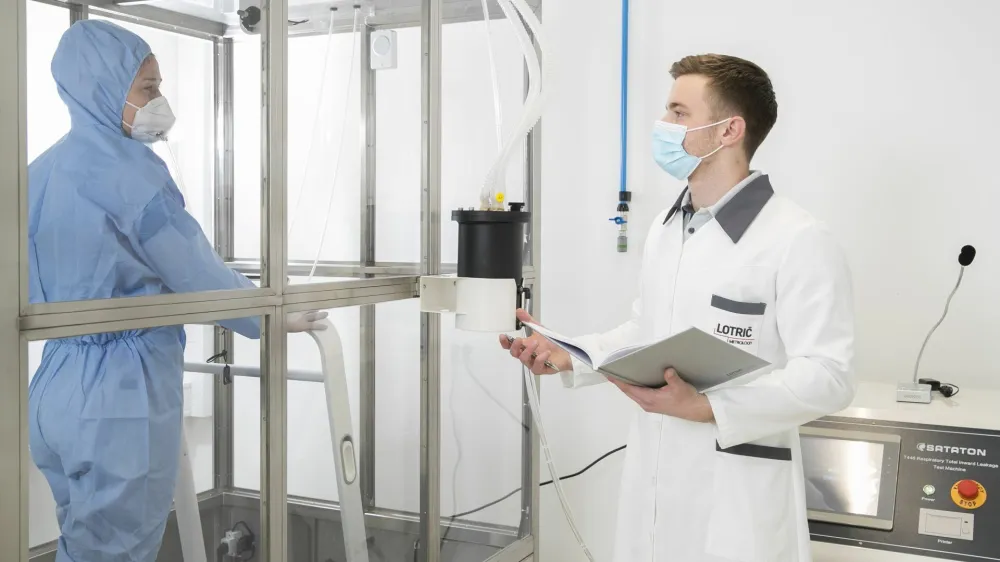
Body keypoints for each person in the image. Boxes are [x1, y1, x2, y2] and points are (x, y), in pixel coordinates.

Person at [502, 54, 855, 562]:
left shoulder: (798, 238)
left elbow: (829, 375)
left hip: (737, 491)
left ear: (729, 130)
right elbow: (647, 330)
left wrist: (709, 407)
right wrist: (571, 353)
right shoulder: (668, 228)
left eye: (678, 113)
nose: (663, 125)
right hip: (655, 479)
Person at [27, 20, 326, 562]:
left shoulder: (37, 173)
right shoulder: (132, 173)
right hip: (119, 391)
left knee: (80, 541)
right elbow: (194, 271)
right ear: (105, 89)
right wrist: (271, 314)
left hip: (55, 385)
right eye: (148, 88)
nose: (159, 101)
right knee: (117, 550)